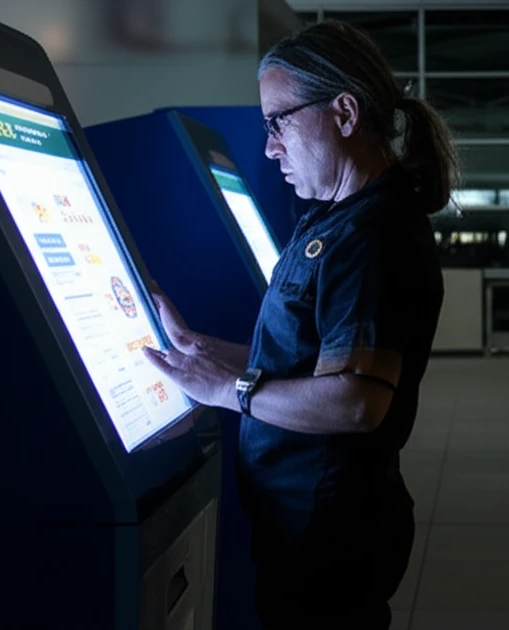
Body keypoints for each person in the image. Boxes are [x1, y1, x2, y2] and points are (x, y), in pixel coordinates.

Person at [141, 20, 454, 628]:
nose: (269, 147)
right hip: (304, 528)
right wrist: (203, 353)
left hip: (330, 536)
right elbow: (302, 360)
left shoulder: (375, 234)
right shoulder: (334, 220)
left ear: (343, 112)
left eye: (278, 122)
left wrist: (228, 391)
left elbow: (357, 402)